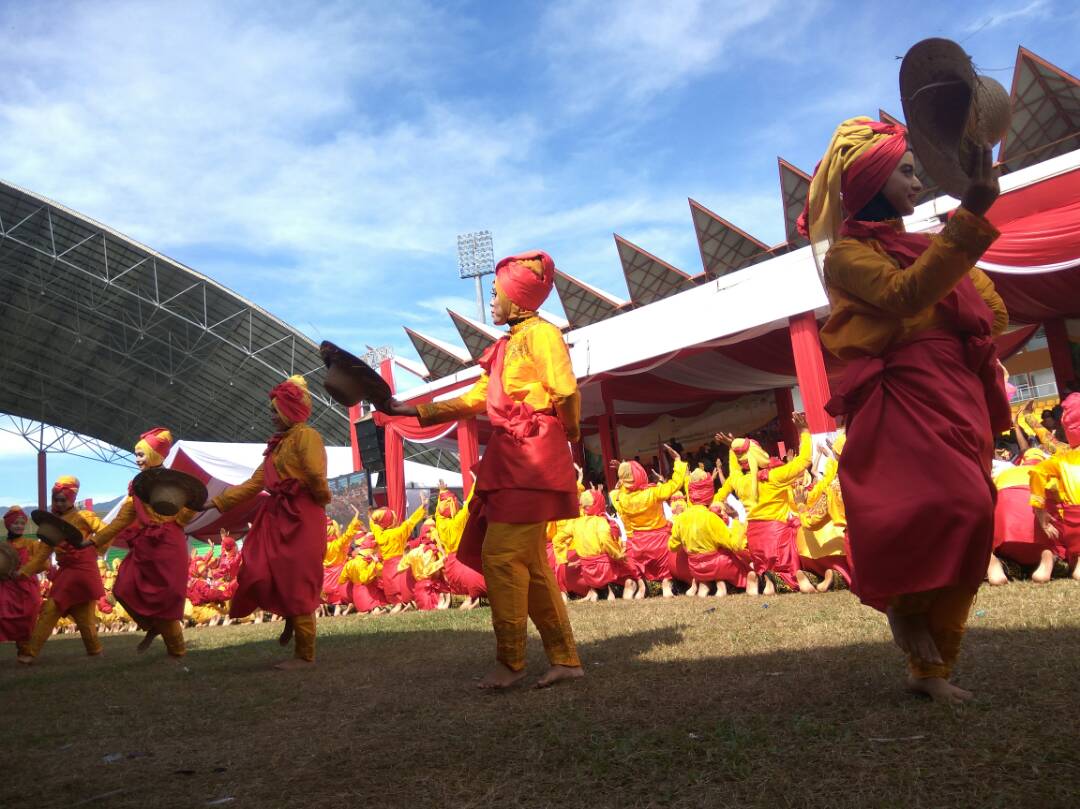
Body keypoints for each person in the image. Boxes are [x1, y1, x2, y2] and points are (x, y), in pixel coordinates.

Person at [803, 117, 1008, 704]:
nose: (918, 182)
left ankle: (933, 668)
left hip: (958, 387)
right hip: (902, 393)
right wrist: (967, 225)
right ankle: (905, 607)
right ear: (872, 178)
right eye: (907, 171)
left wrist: (955, 265)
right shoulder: (846, 254)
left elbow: (993, 314)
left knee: (975, 515)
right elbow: (905, 295)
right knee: (947, 508)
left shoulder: (927, 246)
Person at [378, 250, 583, 689]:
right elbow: (475, 397)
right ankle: (564, 659)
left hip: (533, 453)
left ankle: (511, 663)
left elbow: (565, 390)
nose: (490, 302)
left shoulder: (544, 336)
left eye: (496, 293)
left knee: (501, 555)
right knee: (529, 561)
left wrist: (568, 433)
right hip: (515, 454)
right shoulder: (509, 345)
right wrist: (408, 408)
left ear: (517, 296)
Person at [206, 375, 331, 669]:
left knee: (297, 580)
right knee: (259, 570)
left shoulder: (306, 436)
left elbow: (315, 474)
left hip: (302, 515)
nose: (271, 416)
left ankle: (305, 654)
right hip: (276, 516)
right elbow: (254, 484)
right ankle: (290, 617)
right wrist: (216, 502)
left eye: (275, 410)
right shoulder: (276, 447)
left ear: (290, 410)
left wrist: (320, 499)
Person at [92, 428, 193, 661]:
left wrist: (177, 519)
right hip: (146, 546)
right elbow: (123, 519)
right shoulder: (136, 486)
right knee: (122, 588)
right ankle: (153, 624)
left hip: (169, 544)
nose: (137, 459)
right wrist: (95, 540)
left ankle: (177, 652)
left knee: (166, 602)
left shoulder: (174, 481)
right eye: (136, 455)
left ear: (155, 455)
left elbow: (189, 507)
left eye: (141, 454)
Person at [18, 476, 107, 664]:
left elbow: (107, 531)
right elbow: (42, 554)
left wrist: (93, 546)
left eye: (63, 499)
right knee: (52, 611)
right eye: (56, 499)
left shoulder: (84, 516)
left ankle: (95, 651)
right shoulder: (51, 523)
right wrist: (23, 572)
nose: (58, 503)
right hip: (66, 573)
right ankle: (30, 653)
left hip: (84, 571)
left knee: (82, 618)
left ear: (72, 499)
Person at [610, 445, 687, 598]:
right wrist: (677, 461)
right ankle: (666, 585)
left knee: (634, 561)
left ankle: (640, 585)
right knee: (667, 563)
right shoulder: (653, 492)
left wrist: (623, 473)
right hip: (659, 540)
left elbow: (615, 492)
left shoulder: (621, 498)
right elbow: (675, 484)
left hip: (639, 542)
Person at [669, 471, 750, 596]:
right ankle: (723, 584)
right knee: (735, 558)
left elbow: (673, 546)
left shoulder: (681, 519)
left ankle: (704, 585)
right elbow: (734, 544)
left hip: (695, 568)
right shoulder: (711, 518)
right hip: (718, 566)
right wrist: (736, 525)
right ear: (709, 491)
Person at [1031, 392, 1080, 580]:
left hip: (1072, 520)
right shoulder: (1061, 450)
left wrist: (1038, 510)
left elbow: (1036, 472)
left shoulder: (1061, 453)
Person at [989, 447, 1055, 584]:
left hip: (1005, 540)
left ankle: (992, 560)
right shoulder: (1049, 474)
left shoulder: (1005, 473)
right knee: (1048, 546)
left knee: (992, 550)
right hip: (1038, 540)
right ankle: (1046, 555)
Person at [369, 501, 427, 614]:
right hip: (399, 563)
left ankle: (398, 604)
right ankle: (405, 602)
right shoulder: (399, 531)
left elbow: (373, 525)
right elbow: (411, 522)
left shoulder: (379, 535)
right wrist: (422, 507)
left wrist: (371, 517)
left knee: (391, 587)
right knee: (402, 585)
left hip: (387, 566)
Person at [435, 486, 486, 610]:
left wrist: (441, 493)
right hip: (464, 562)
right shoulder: (458, 521)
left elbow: (438, 512)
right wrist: (476, 483)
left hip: (450, 567)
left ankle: (467, 598)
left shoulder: (439, 523)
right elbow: (469, 503)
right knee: (485, 583)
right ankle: (473, 598)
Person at [1, 506, 42, 658]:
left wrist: (28, 568)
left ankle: (24, 650)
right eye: (15, 523)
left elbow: (42, 563)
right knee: (3, 616)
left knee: (27, 619)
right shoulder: (3, 546)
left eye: (22, 523)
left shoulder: (31, 544)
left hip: (27, 587)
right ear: (8, 524)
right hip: (7, 587)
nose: (19, 526)